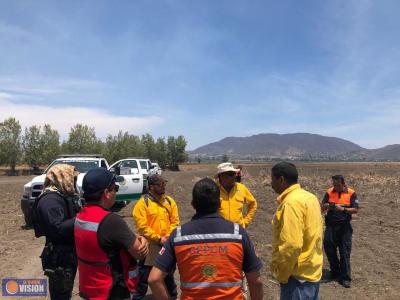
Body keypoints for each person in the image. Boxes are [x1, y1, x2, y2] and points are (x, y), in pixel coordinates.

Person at [149, 178, 264, 300]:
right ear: (219, 203)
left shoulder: (178, 236)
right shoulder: (238, 233)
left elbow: (154, 279)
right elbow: (256, 282)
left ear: (193, 204)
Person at [74, 168, 149, 300]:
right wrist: (143, 239)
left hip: (90, 288)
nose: (116, 192)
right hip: (111, 292)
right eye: (115, 188)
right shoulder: (111, 221)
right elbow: (139, 252)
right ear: (106, 193)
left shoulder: (81, 215)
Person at [270, 162, 323, 300]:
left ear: (281, 180)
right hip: (312, 272)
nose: (271, 183)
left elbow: (291, 245)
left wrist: (282, 275)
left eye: (272, 179)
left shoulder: (291, 203)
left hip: (296, 278)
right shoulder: (310, 197)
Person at [33, 164, 81, 300]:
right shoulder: (50, 200)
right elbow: (57, 228)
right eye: (72, 179)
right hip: (59, 258)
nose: (74, 183)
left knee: (65, 292)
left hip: (66, 255)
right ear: (61, 178)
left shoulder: (59, 196)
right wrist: (81, 218)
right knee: (61, 295)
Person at [132, 174, 180, 299]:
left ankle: (172, 297)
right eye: (160, 184)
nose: (163, 186)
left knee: (168, 277)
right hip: (150, 249)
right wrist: (158, 238)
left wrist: (167, 238)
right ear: (152, 187)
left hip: (167, 246)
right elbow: (142, 227)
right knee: (143, 280)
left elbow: (175, 222)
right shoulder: (142, 204)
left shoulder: (170, 201)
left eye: (164, 183)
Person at [321, 175, 359, 288]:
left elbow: (356, 209)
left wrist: (343, 209)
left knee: (344, 252)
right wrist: (326, 206)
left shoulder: (351, 193)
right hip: (331, 226)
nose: (335, 187)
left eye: (337, 185)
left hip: (344, 227)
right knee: (328, 248)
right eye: (334, 184)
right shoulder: (329, 192)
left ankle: (345, 277)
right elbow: (321, 207)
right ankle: (335, 272)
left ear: (343, 184)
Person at [216, 162, 257, 228]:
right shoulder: (214, 190)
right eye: (231, 174)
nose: (235, 176)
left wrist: (246, 222)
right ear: (221, 176)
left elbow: (253, 204)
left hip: (238, 231)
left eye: (234, 173)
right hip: (220, 231)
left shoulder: (242, 188)